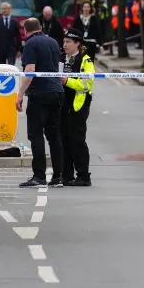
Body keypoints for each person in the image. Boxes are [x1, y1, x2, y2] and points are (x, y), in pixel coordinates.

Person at [16, 18, 65, 188]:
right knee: (54, 135)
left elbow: (30, 71)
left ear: (25, 31)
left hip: (40, 93)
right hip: (57, 91)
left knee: (36, 134)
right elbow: (59, 67)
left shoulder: (30, 44)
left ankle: (39, 176)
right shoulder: (53, 42)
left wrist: (20, 94)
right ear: (40, 28)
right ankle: (58, 176)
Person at [60, 30, 94, 187]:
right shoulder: (62, 59)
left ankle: (83, 176)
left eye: (68, 42)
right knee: (63, 140)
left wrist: (67, 81)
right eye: (64, 41)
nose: (65, 44)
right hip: (62, 104)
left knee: (77, 140)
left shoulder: (86, 61)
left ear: (78, 43)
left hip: (78, 105)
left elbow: (86, 85)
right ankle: (66, 175)